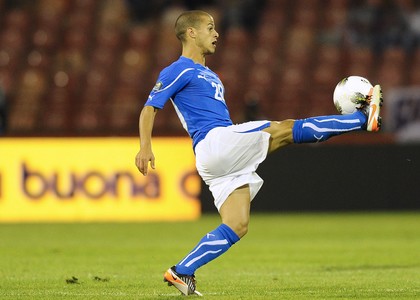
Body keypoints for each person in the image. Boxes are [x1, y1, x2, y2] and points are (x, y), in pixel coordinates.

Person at [135, 10, 383, 296]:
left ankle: (182, 271)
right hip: (214, 142)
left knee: (237, 224)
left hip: (216, 157)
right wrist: (145, 146)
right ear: (191, 33)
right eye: (210, 28)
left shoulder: (210, 74)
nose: (216, 34)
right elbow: (150, 107)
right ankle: (362, 120)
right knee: (285, 129)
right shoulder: (178, 69)